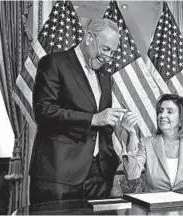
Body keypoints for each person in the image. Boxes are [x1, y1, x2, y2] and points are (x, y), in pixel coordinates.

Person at [29, 18, 127, 204]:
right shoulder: (54, 63)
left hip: (99, 174)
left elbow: (102, 122)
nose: (107, 57)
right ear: (89, 37)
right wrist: (93, 119)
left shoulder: (105, 75)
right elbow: (44, 112)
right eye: (105, 49)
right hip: (59, 173)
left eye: (112, 52)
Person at [120, 94, 183, 192]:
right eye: (161, 111)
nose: (162, 115)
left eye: (170, 112)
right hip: (155, 204)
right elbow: (131, 174)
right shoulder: (146, 143)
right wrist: (131, 134)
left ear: (181, 119)